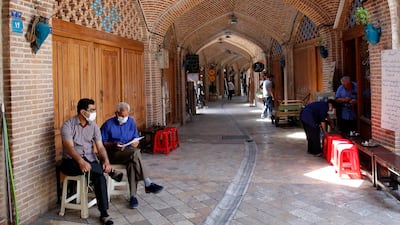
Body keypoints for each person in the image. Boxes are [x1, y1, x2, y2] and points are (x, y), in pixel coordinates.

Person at [60, 98, 120, 225]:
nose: (94, 112)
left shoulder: (93, 126)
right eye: (92, 110)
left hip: (90, 160)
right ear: (82, 112)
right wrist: (81, 162)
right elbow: (69, 148)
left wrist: (106, 161)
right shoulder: (68, 125)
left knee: (99, 177)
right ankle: (109, 172)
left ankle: (104, 214)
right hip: (71, 161)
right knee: (95, 169)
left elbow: (101, 147)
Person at [101, 102, 164, 209]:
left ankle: (133, 196)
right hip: (113, 154)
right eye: (122, 116)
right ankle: (147, 182)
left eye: (126, 116)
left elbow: (135, 138)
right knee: (136, 153)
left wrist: (136, 142)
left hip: (129, 152)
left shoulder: (130, 121)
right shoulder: (108, 124)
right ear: (116, 113)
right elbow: (102, 143)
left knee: (132, 162)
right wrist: (114, 144)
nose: (124, 118)